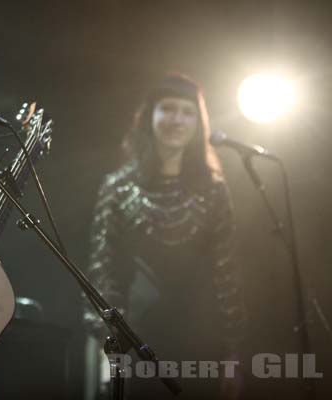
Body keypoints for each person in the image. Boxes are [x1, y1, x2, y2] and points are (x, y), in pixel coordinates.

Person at [86, 73, 246, 399]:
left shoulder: (214, 190)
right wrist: (109, 352)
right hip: (138, 343)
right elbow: (104, 273)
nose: (177, 119)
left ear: (199, 123)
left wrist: (232, 355)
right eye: (168, 108)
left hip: (202, 341)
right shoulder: (118, 187)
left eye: (187, 112)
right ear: (150, 116)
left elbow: (227, 274)